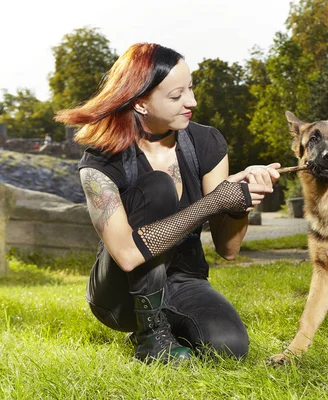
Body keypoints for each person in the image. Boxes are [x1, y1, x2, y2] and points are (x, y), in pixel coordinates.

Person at [55, 43, 280, 364]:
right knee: (158, 187)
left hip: (183, 279)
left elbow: (228, 249)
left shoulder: (206, 142)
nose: (192, 102)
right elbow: (128, 255)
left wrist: (237, 205)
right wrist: (213, 201)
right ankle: (149, 336)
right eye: (176, 96)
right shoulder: (101, 161)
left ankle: (172, 327)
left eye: (190, 89)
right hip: (120, 292)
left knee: (229, 347)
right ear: (141, 103)